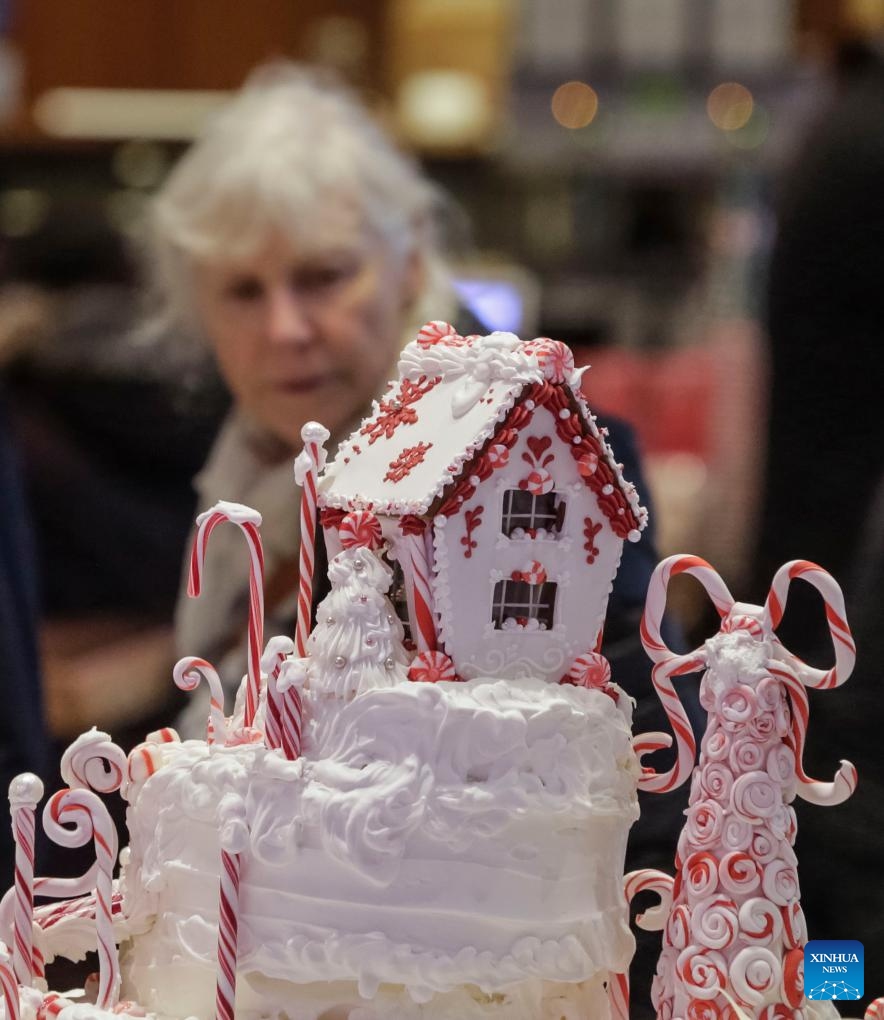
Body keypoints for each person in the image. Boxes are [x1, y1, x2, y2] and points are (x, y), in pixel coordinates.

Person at [141, 62, 689, 1015]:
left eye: (323, 275)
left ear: (409, 261)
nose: (287, 329)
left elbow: (633, 775)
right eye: (241, 290)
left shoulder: (532, 456)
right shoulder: (222, 470)